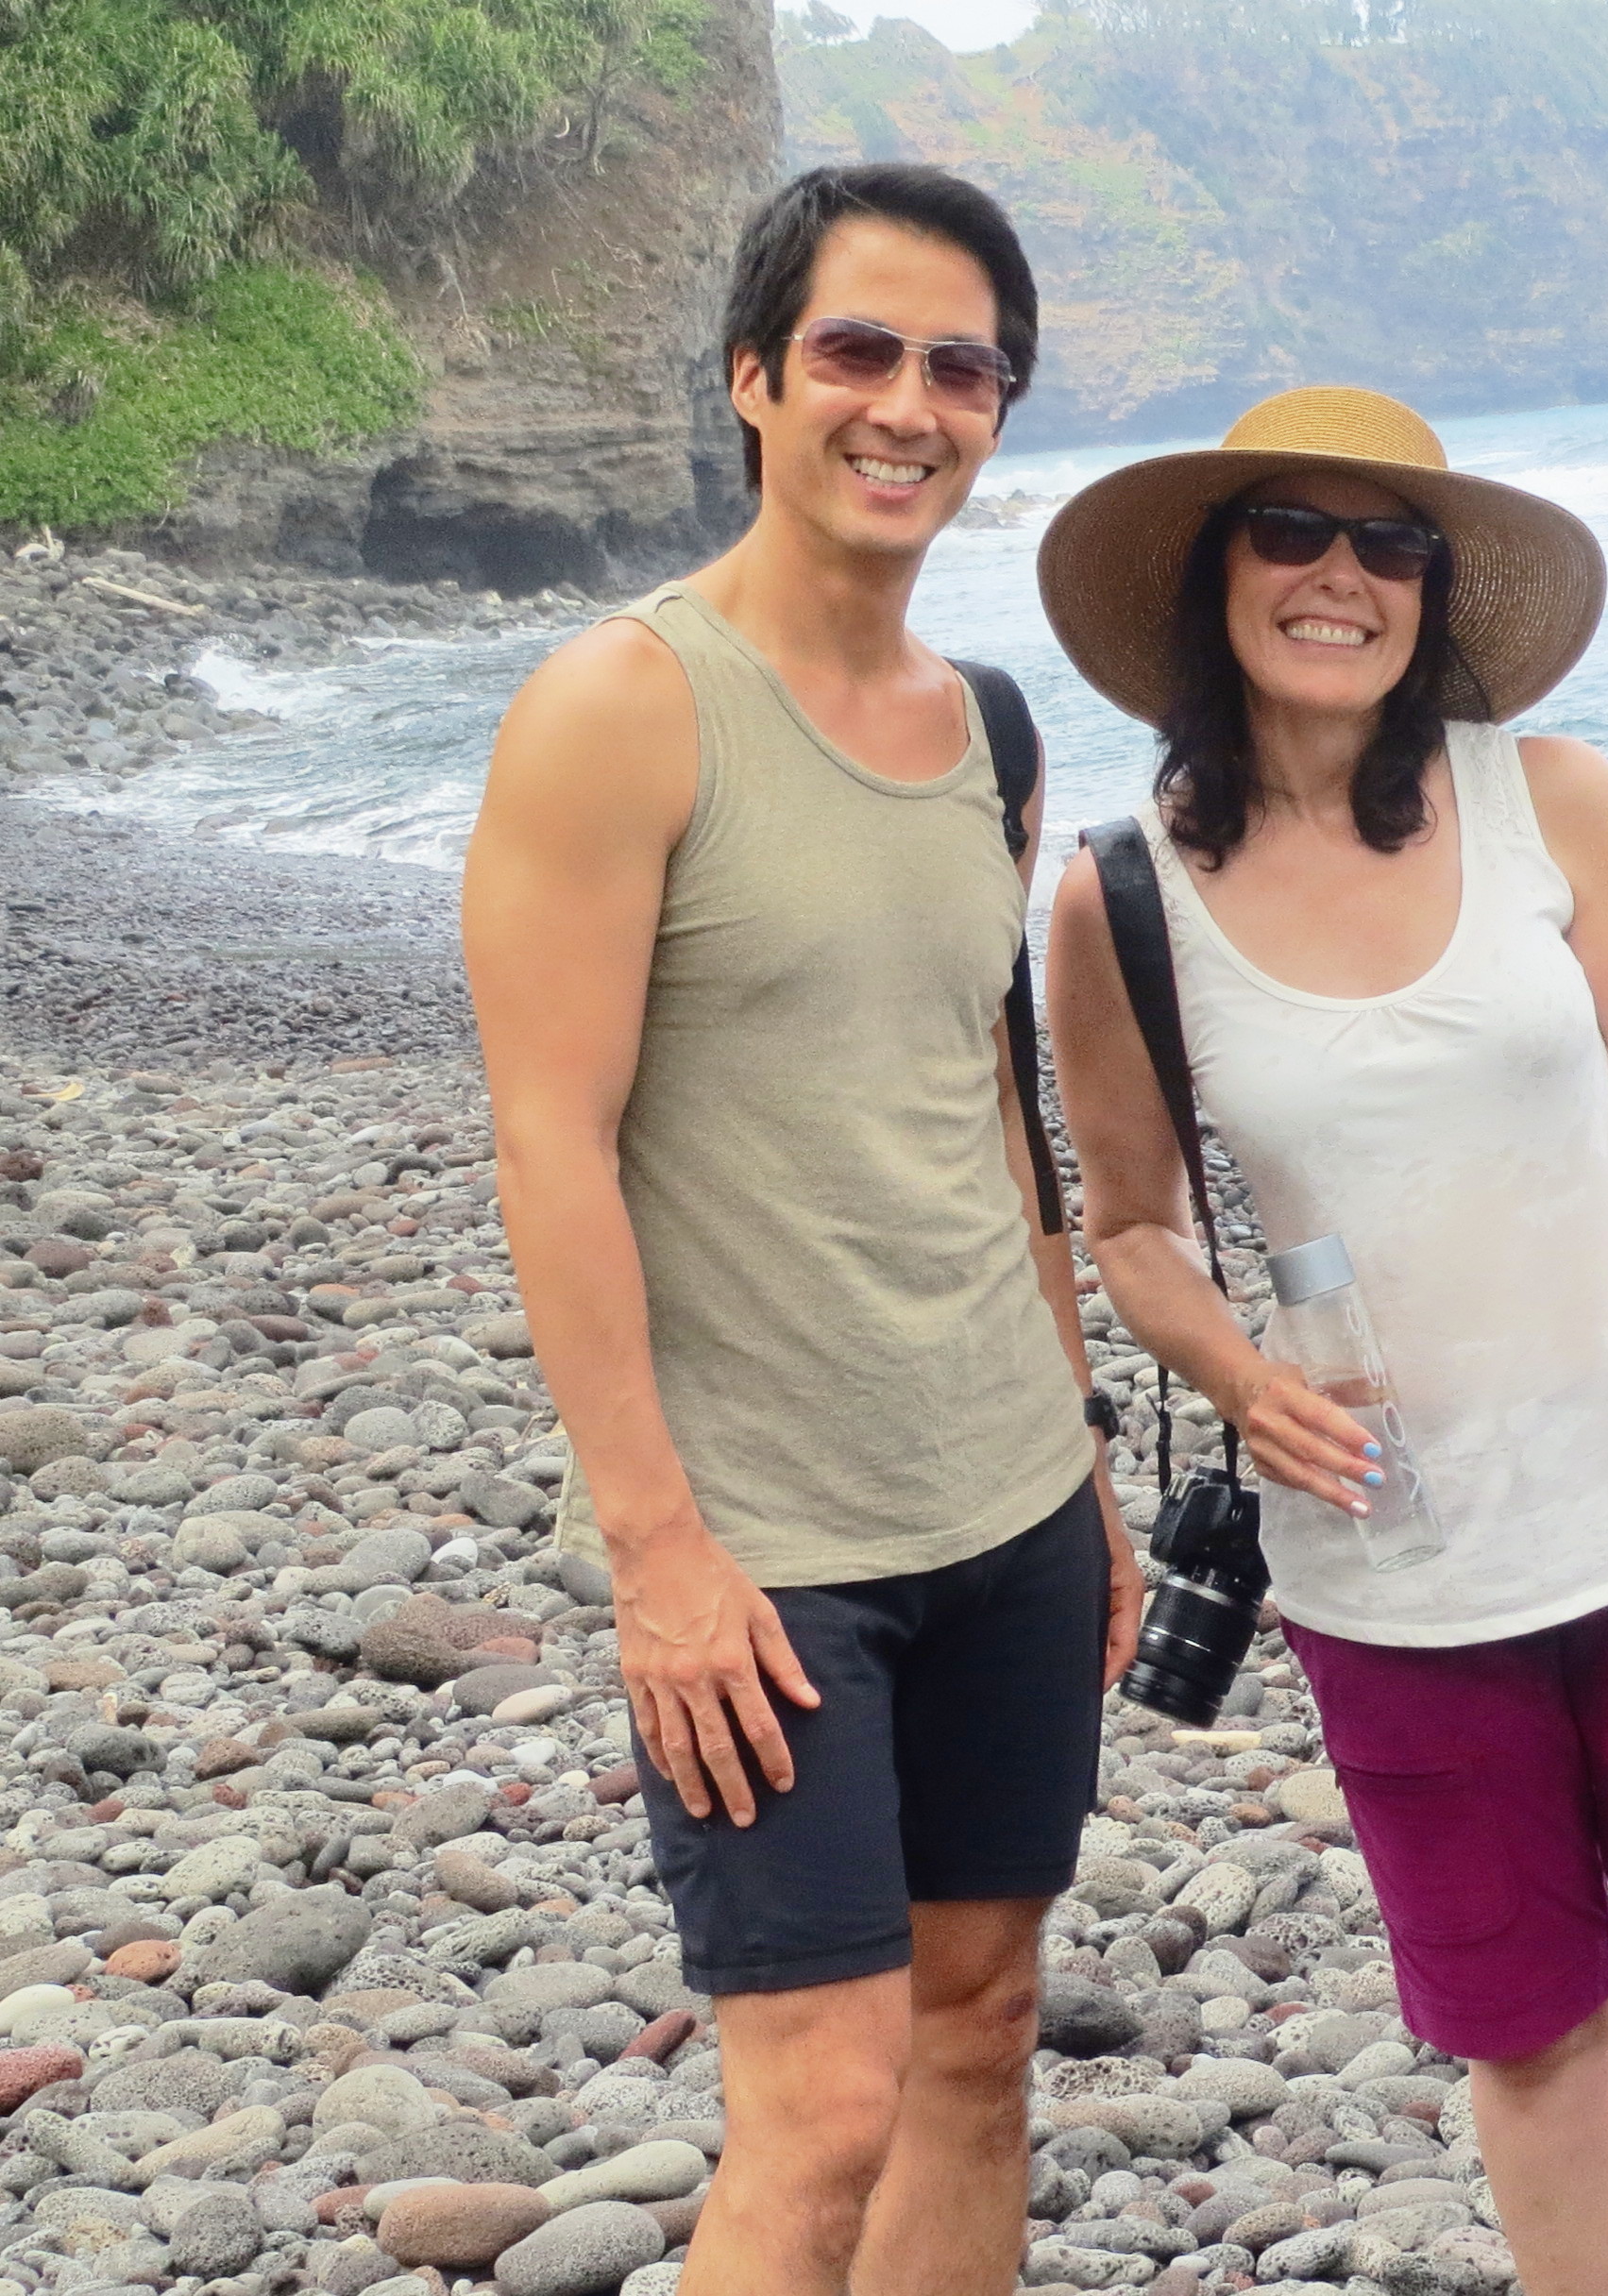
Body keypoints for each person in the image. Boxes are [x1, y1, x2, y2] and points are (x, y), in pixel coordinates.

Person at [1034, 385, 1608, 2296]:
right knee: (1531, 2036)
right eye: (1290, 533)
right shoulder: (1119, 895)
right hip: (1399, 1570)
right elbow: (1135, 1224)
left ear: (1431, 591)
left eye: (1390, 543)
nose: (1340, 575)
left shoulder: (1549, 798)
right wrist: (1237, 1374)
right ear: (1215, 578)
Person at [462, 164, 1133, 2296]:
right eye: (856, 350)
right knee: (823, 2104)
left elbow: (996, 1111)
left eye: (963, 369)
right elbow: (550, 1144)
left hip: (1006, 1494)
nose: (907, 405)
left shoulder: (989, 729)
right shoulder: (623, 705)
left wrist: (1084, 1451)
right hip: (767, 1550)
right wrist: (656, 1552)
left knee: (980, 2033)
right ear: (755, 377)